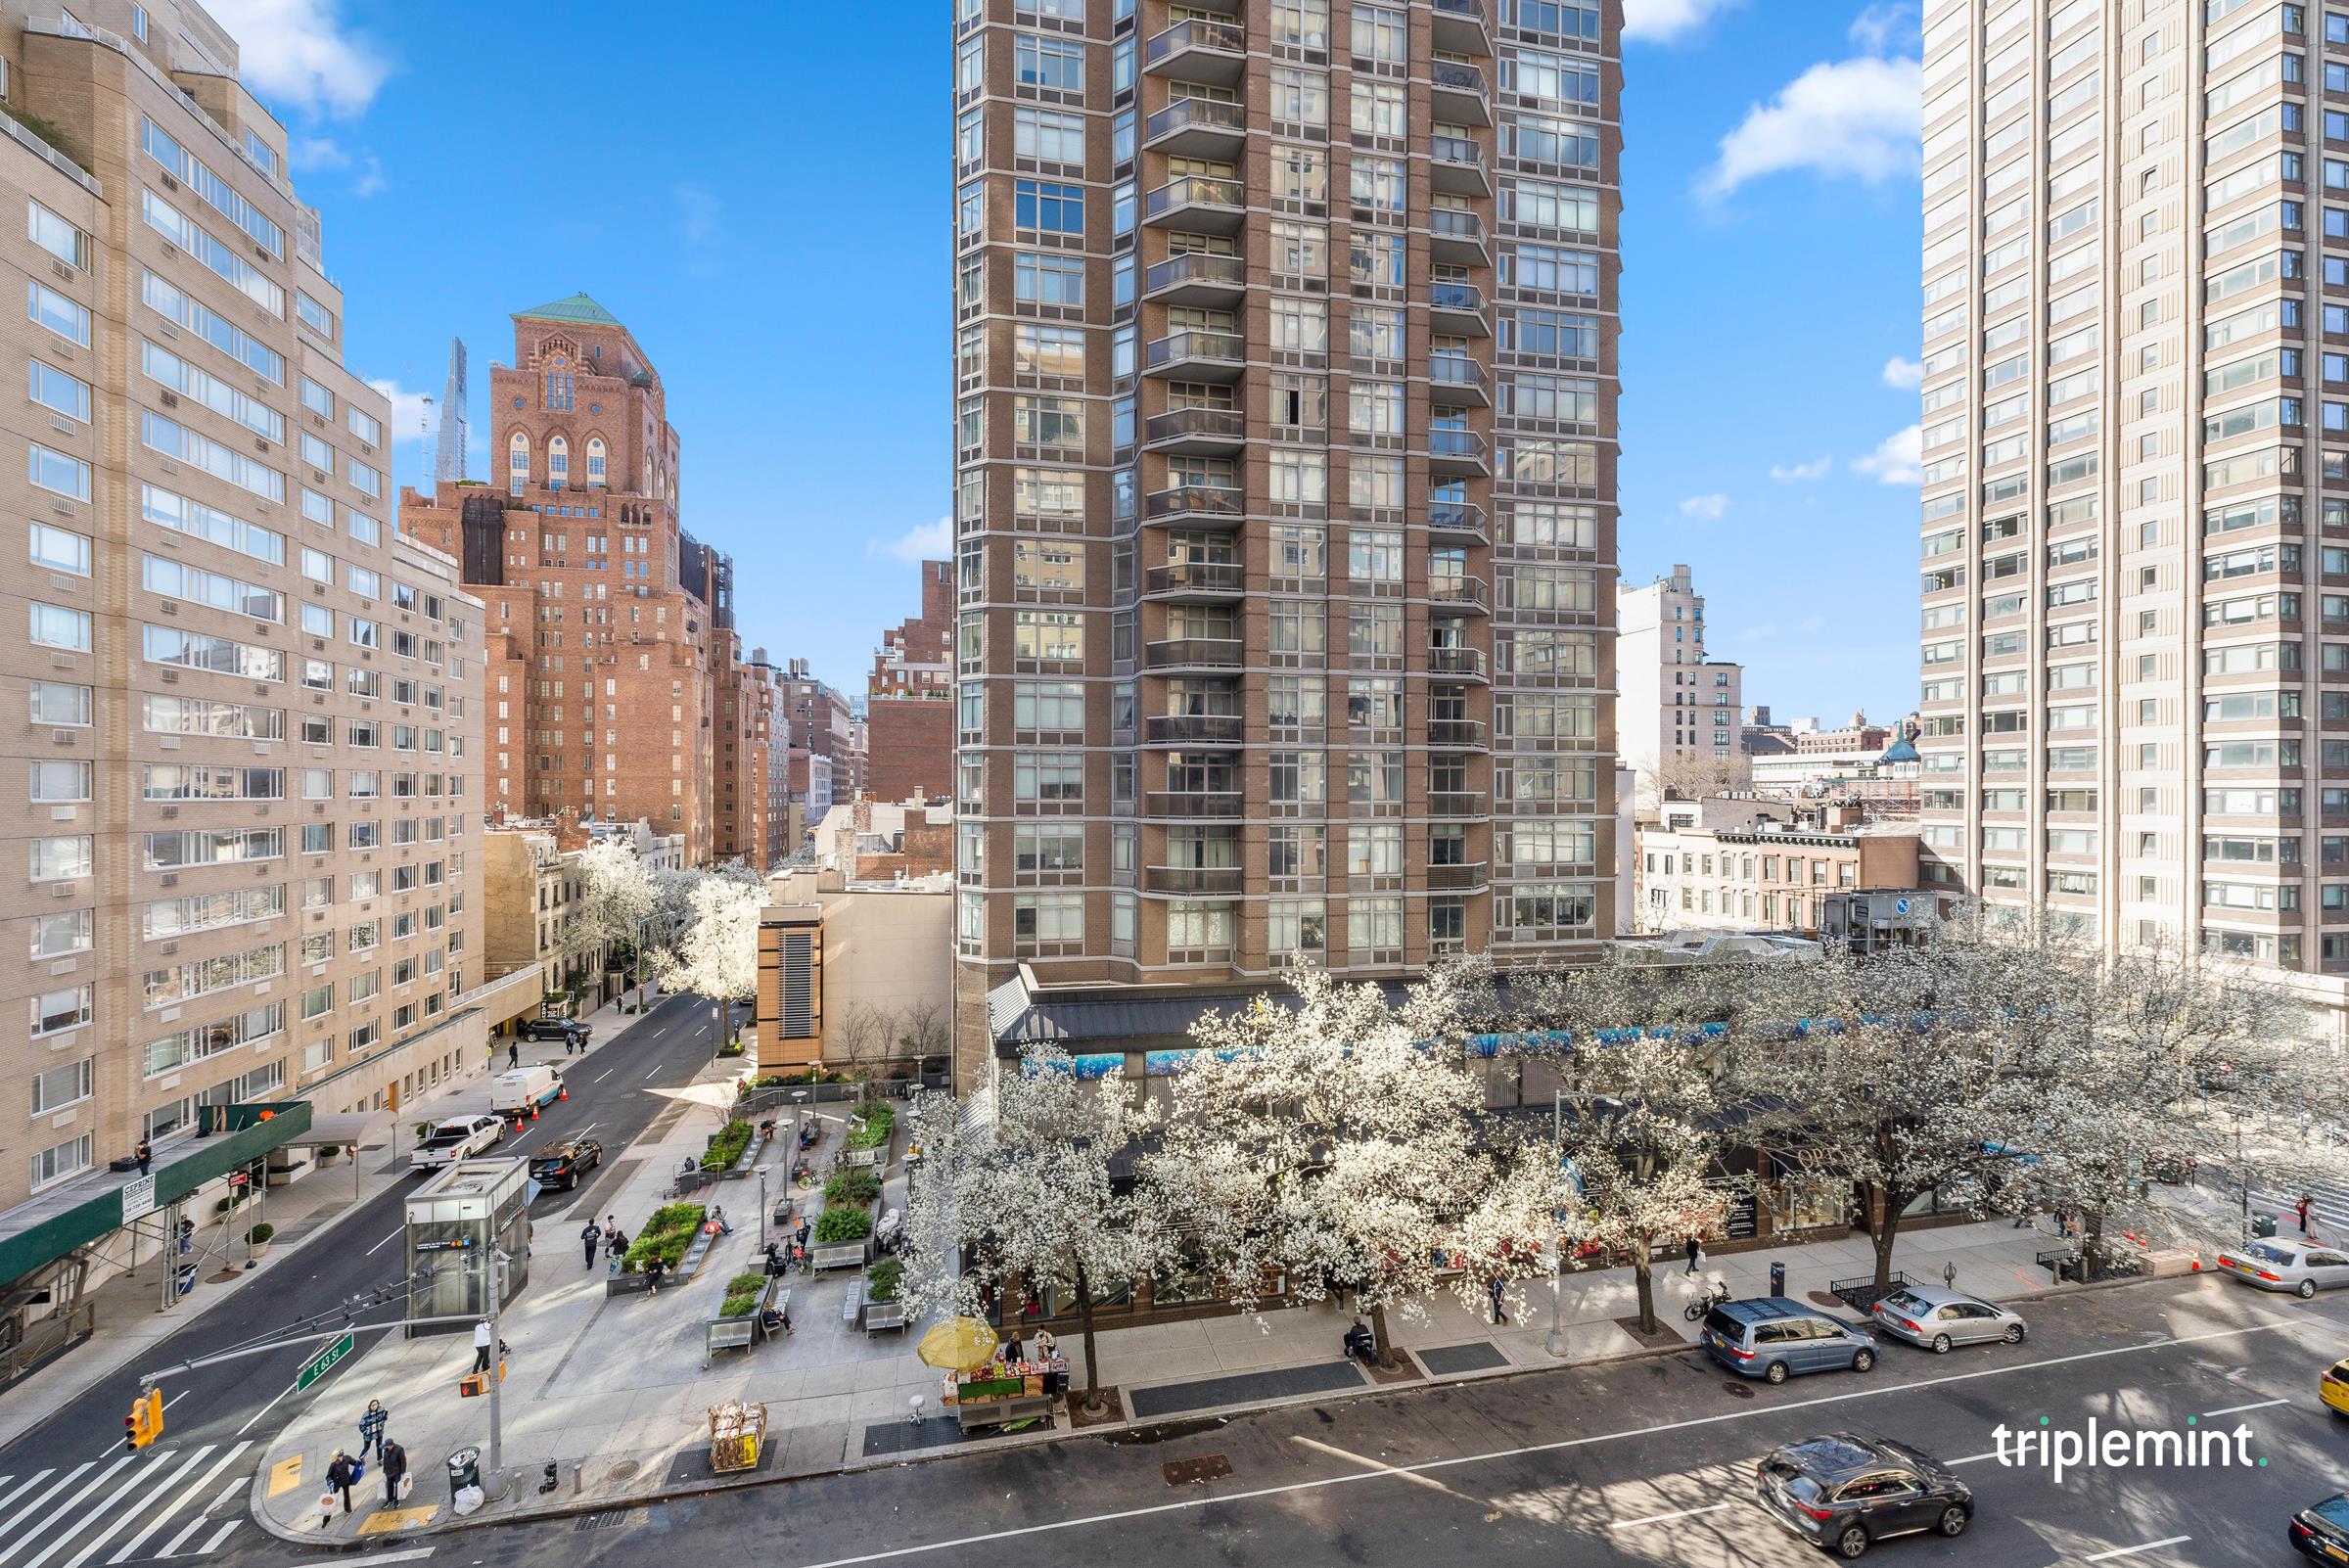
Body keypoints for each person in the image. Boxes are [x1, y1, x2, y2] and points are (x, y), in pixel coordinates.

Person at [325, 1451, 356, 1517]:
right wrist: (330, 1482)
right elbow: (328, 1476)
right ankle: (328, 1510)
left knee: (346, 1495)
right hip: (336, 1483)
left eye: (341, 1456)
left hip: (345, 1481)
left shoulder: (347, 1458)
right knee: (332, 1496)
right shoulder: (333, 1465)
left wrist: (359, 1462)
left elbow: (354, 1462)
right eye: (339, 1457)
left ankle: (348, 1509)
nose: (341, 1458)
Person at [378, 1437, 406, 1506]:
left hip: (397, 1472)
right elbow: (385, 1461)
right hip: (388, 1471)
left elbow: (403, 1461)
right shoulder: (386, 1450)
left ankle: (397, 1500)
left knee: (397, 1486)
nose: (385, 1448)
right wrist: (384, 1471)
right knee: (389, 1486)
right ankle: (390, 1499)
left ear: (391, 1445)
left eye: (387, 1446)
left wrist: (403, 1472)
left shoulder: (399, 1449)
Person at [357, 1399, 387, 1463]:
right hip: (369, 1435)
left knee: (379, 1446)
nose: (374, 1406)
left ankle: (380, 1459)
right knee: (366, 1447)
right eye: (372, 1405)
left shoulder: (381, 1410)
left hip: (378, 1432)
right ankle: (361, 1458)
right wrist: (366, 1432)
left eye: (376, 1404)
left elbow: (385, 1417)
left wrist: (382, 1425)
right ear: (370, 1406)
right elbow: (361, 1425)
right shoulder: (366, 1415)